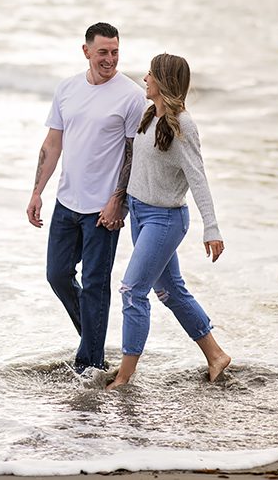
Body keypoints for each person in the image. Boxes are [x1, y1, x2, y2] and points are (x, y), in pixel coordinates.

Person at [27, 22, 146, 374]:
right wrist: (37, 192)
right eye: (102, 52)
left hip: (102, 208)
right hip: (67, 202)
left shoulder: (130, 96)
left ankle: (89, 365)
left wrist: (118, 200)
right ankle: (91, 343)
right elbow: (52, 143)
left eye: (115, 52)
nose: (109, 59)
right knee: (57, 275)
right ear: (86, 52)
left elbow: (133, 154)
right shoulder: (67, 89)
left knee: (96, 283)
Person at [106, 53, 230, 389]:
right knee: (171, 291)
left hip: (165, 220)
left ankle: (125, 376)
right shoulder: (149, 116)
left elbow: (198, 177)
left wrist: (212, 227)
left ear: (163, 81)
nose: (144, 78)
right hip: (140, 215)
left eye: (150, 73)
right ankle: (216, 355)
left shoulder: (183, 125)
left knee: (133, 291)